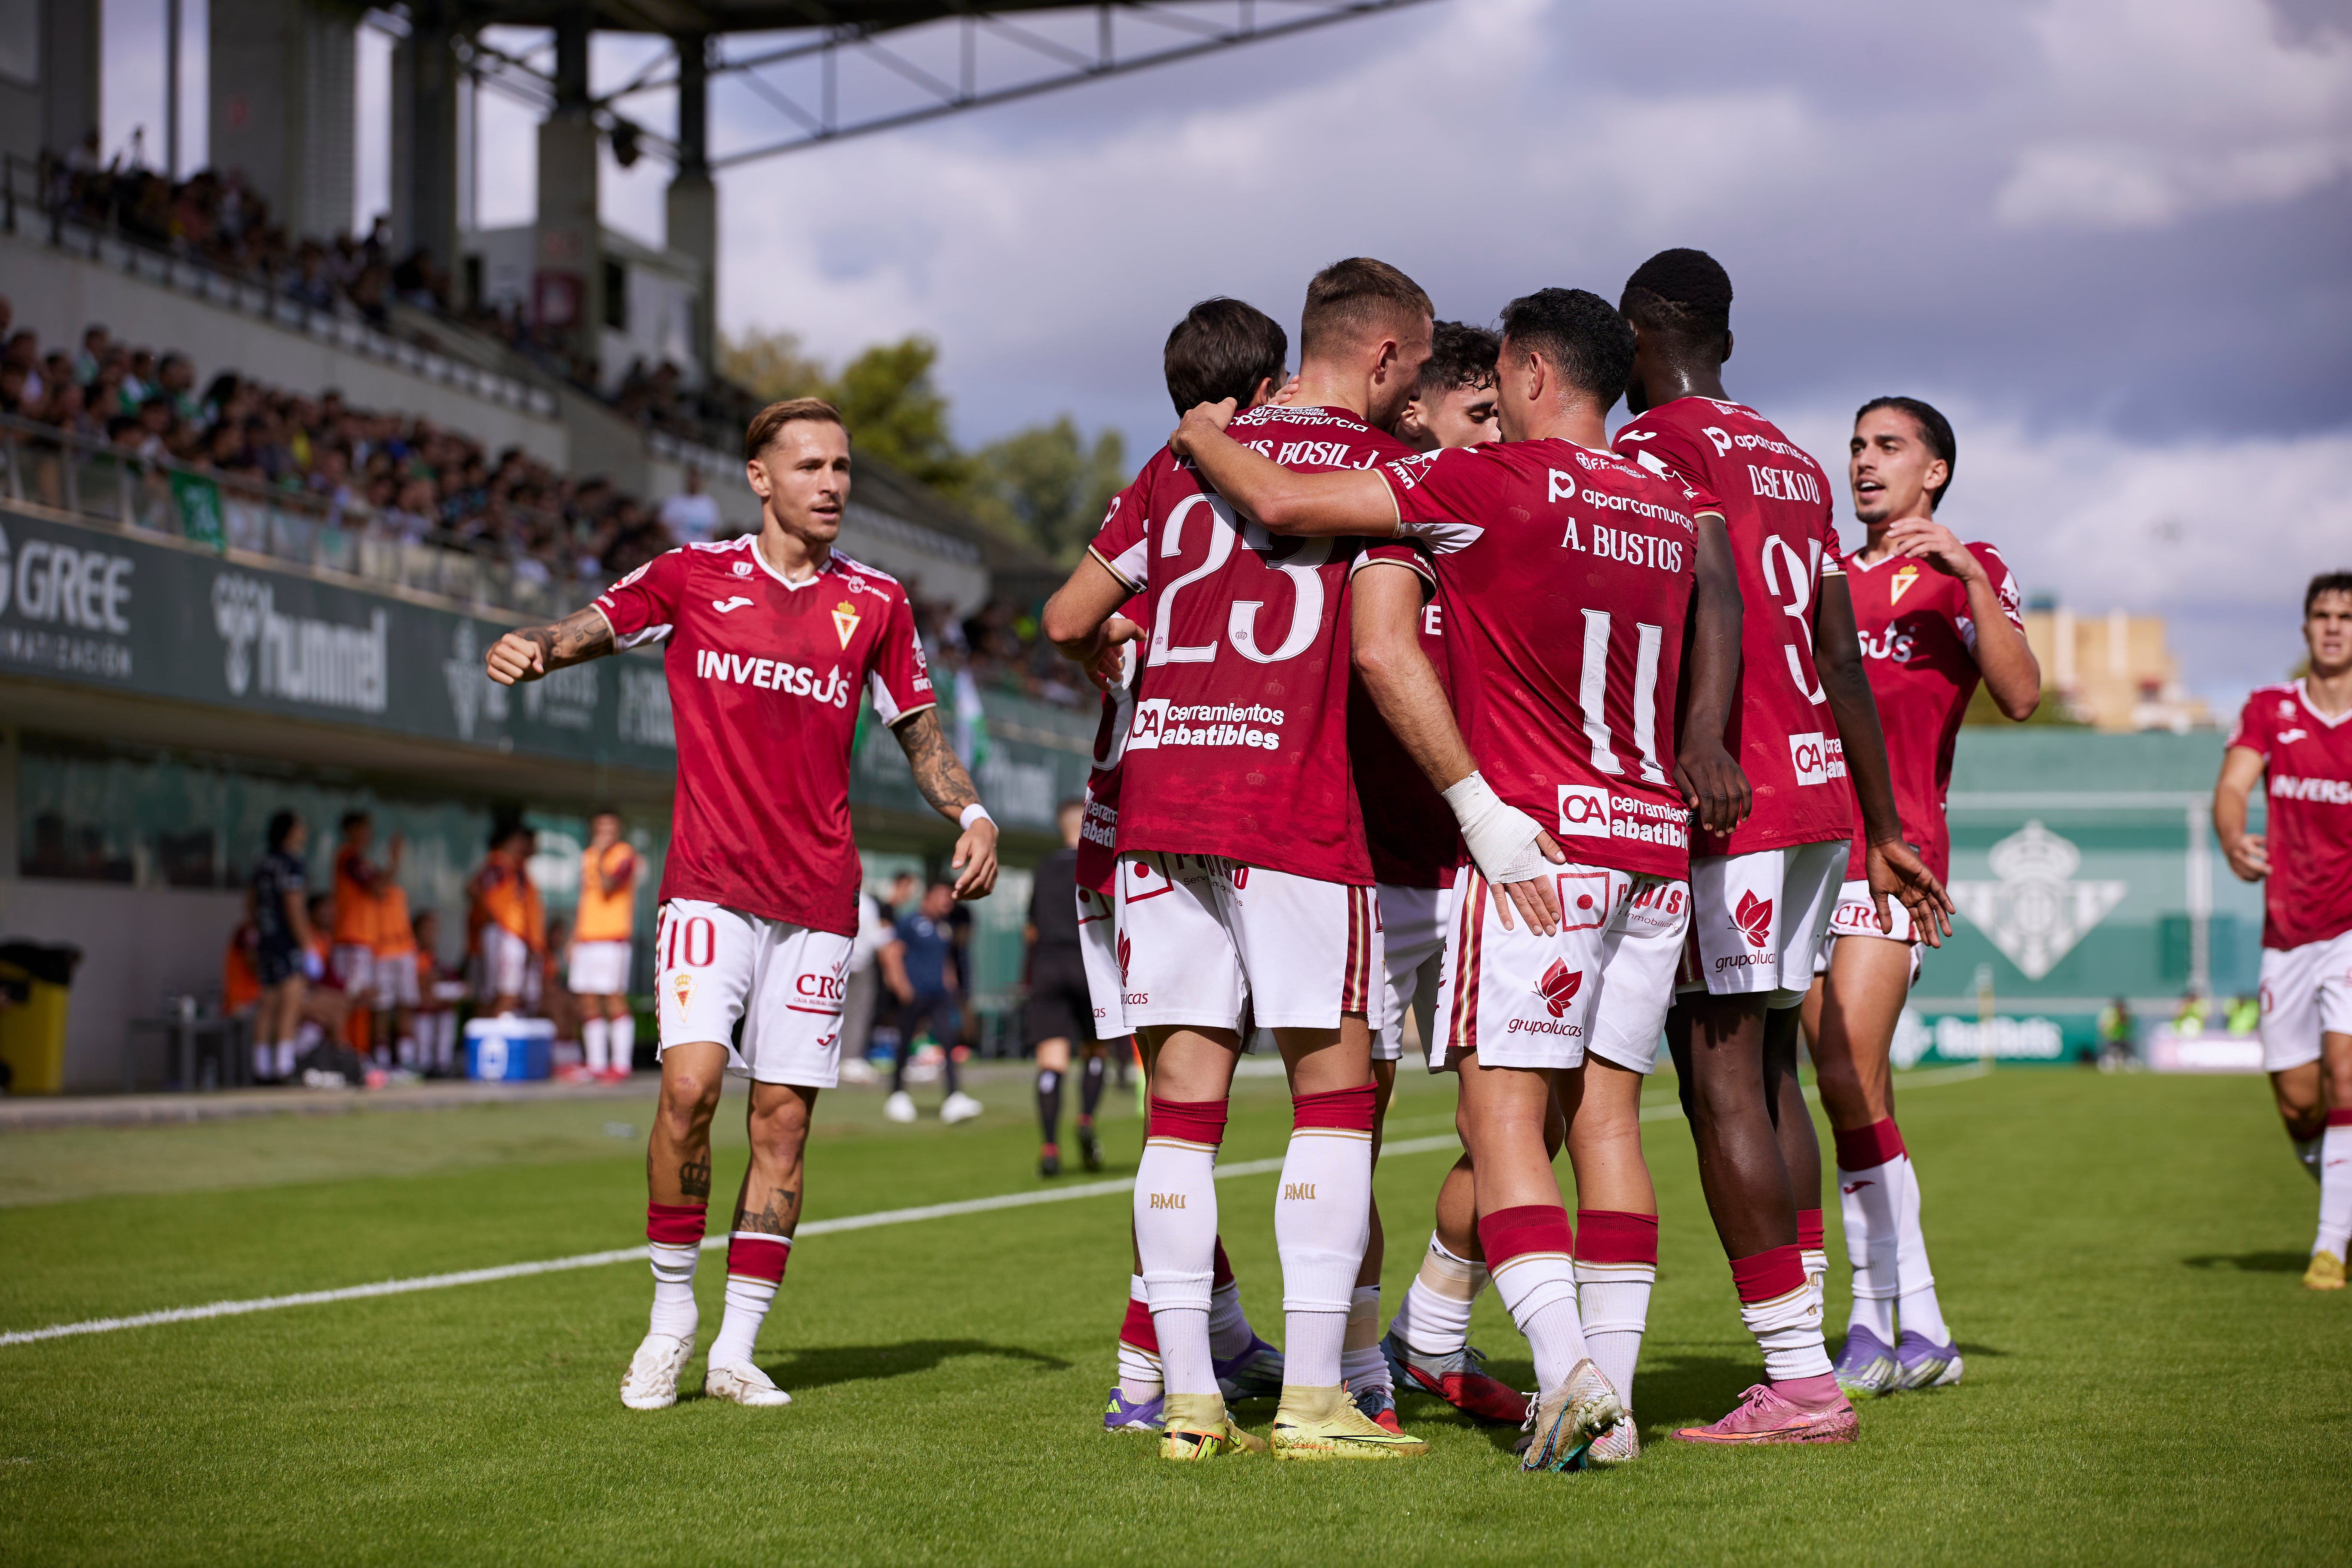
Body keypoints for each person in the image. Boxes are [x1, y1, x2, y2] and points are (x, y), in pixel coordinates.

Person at [1174, 285, 1749, 1470]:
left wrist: (1203, 434)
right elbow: (1725, 612)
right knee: (1605, 1121)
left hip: (1538, 848)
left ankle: (1564, 1370)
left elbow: (1283, 504)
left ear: (1534, 375)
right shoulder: (1670, 499)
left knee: (1496, 1120)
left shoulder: (1488, 485)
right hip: (1650, 846)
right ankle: (1612, 1409)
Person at [484, 395, 999, 1413]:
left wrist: (973, 812)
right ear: (760, 479)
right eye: (810, 467)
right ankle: (671, 1319)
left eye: (843, 468)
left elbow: (921, 735)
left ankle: (737, 1347)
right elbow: (596, 623)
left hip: (816, 900)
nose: (832, 486)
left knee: (781, 1126)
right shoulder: (692, 574)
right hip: (708, 889)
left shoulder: (880, 603)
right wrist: (537, 645)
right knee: (687, 1094)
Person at [1041, 262, 1435, 1462]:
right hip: (1295, 803)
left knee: (1181, 1120)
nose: (1415, 399)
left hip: (1163, 795)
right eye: (1413, 373)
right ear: (1378, 357)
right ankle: (1316, 1402)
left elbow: (1064, 621)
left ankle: (1189, 1404)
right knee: (1332, 1100)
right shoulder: (1389, 472)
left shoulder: (1182, 456)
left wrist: (1141, 651)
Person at [1612, 250, 1949, 1444]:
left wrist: (1698, 735)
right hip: (1814, 797)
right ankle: (1804, 1353)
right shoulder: (1796, 461)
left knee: (1718, 1077)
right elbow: (1843, 653)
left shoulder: (1656, 451)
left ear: (1636, 337)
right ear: (1727, 339)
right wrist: (1888, 825)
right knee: (1767, 1068)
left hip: (1731, 795)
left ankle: (1799, 1384)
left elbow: (1701, 586)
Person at [1798, 393, 2040, 1393]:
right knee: (1848, 1085)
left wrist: (1972, 580)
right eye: (1855, 445)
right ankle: (1918, 1331)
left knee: (1846, 1072)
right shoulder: (1821, 573)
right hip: (1803, 852)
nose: (1863, 461)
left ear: (1932, 471)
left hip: (1895, 854)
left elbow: (2021, 695)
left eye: (1887, 446)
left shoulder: (1958, 569)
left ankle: (1875, 1321)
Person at [1081, 297, 1287, 1439]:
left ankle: (1206, 1344)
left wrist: (1101, 648)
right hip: (1203, 823)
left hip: (1125, 832)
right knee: (1194, 1113)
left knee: (1182, 1116)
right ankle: (1148, 1370)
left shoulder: (1153, 503)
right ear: (1263, 390)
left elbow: (1068, 615)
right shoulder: (1254, 508)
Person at [1355, 320, 1522, 1431]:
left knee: (1517, 1115)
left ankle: (1432, 1334)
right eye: (1479, 418)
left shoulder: (1505, 523)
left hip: (1478, 868)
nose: (1500, 438)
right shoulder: (1366, 519)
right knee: (1346, 1127)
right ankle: (1359, 1364)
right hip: (1364, 865)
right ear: (1417, 415)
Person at [2213, 570, 2352, 1290]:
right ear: (2304, 628)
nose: (2333, 627)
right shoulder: (2270, 709)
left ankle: (2330, 1245)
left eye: (2346, 616)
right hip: (2286, 933)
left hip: (2349, 928)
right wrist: (2234, 837)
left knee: (2345, 1071)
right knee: (2298, 1100)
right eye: (2322, 615)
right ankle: (2344, 1204)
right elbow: (2233, 786)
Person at [1027, 799, 1106, 1176]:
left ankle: (1049, 1147)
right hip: (1086, 964)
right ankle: (1087, 1120)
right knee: (1094, 1051)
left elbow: (1030, 928)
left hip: (1046, 966)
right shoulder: (1095, 865)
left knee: (1051, 1061)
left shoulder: (1043, 869)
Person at [881, 880, 985, 1124]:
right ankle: (897, 1095)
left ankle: (954, 1097)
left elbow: (947, 960)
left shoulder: (945, 927)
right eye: (942, 897)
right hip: (914, 995)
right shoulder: (909, 923)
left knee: (948, 1043)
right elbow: (893, 955)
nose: (946, 903)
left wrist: (952, 986)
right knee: (905, 1043)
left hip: (940, 996)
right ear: (928, 897)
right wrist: (902, 987)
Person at [571, 808, 640, 1082]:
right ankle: (596, 1064)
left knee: (613, 997)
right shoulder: (587, 856)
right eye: (601, 828)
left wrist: (600, 857)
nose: (606, 834)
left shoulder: (625, 856)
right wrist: (573, 937)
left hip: (613, 937)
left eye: (611, 828)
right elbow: (585, 898)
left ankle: (621, 1064)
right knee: (587, 999)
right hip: (587, 937)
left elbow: (610, 885)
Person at [248, 810, 312, 1083]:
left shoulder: (263, 864)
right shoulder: (291, 865)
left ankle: (260, 1068)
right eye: (300, 826)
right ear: (289, 831)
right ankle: (283, 1067)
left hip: (266, 940)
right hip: (286, 942)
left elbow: (251, 905)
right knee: (290, 1002)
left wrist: (261, 930)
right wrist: (307, 944)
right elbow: (294, 907)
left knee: (269, 1004)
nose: (304, 831)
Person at [331, 812, 398, 1057]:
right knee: (351, 998)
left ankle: (358, 1054)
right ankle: (346, 1054)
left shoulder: (360, 860)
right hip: (351, 938)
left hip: (363, 940)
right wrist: (394, 862)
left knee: (364, 998)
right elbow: (378, 887)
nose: (368, 835)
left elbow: (380, 889)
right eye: (363, 829)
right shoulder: (349, 857)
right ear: (351, 830)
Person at [468, 822, 543, 1018]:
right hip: (503, 935)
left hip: (510, 936)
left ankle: (487, 1042)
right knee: (505, 993)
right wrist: (493, 918)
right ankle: (493, 1044)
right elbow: (473, 888)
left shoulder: (514, 867)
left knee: (498, 994)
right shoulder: (500, 864)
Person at [836, 882, 899, 1085]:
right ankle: (849, 1059)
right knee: (857, 1014)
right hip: (858, 965)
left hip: (835, 963)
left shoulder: (839, 895)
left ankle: (840, 1058)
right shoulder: (866, 903)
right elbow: (876, 938)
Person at [658, 466, 724, 545]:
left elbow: (716, 533)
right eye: (692, 477)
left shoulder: (711, 505)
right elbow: (663, 528)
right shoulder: (674, 502)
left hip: (701, 555)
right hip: (679, 551)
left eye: (698, 477)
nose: (694, 481)